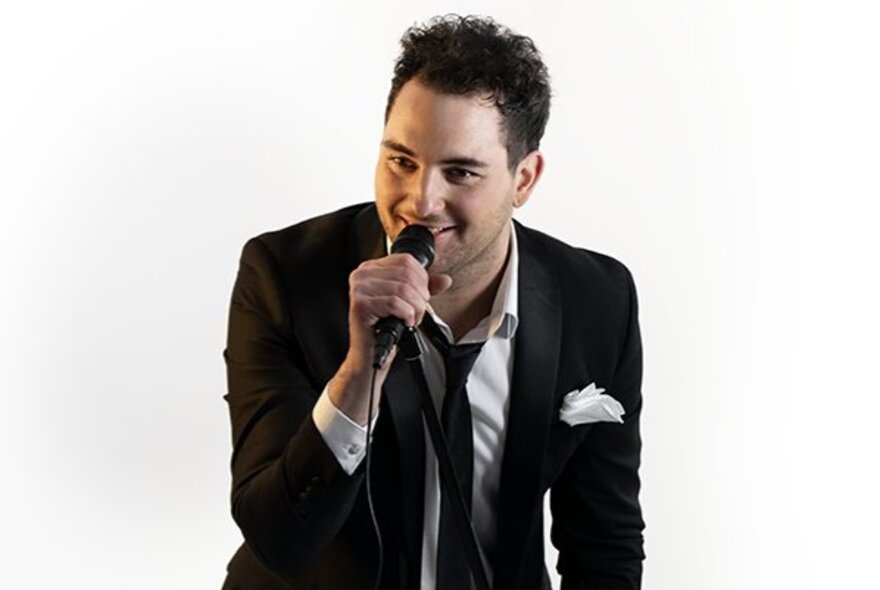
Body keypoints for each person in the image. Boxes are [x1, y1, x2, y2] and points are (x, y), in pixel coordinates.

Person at [222, 14, 645, 590]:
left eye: (460, 172)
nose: (420, 200)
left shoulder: (599, 299)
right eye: (401, 161)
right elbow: (279, 539)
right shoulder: (285, 276)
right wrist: (357, 375)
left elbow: (604, 542)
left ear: (524, 179)